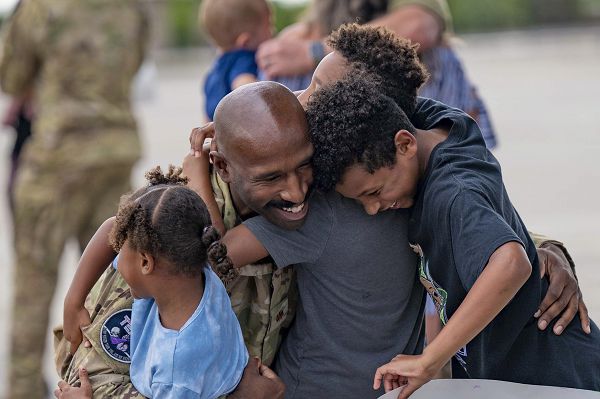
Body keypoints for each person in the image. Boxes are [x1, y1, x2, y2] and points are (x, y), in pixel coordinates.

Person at [303, 74, 600, 397]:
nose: (372, 208)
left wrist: (429, 360)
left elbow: (511, 263)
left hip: (553, 377)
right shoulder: (441, 123)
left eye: (374, 192)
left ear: (405, 144)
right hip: (519, 373)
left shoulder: (453, 193)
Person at [0, 0, 148, 397]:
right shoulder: (131, 9)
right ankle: (105, 385)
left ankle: (24, 391)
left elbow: (11, 77)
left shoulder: (39, 8)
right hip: (114, 155)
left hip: (55, 161)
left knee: (33, 291)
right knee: (114, 291)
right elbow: (132, 63)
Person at [55, 166, 249, 398]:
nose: (116, 253)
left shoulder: (176, 374)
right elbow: (112, 226)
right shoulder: (192, 267)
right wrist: (73, 301)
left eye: (122, 247)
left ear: (146, 262)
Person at [257, 0, 497, 148]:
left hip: (427, 156)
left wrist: (314, 51)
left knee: (439, 57)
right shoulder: (310, 25)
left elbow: (419, 26)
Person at [200, 0, 273, 121]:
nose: (272, 32)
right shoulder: (244, 59)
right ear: (245, 41)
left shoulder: (211, 75)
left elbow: (206, 121)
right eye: (269, 26)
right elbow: (247, 90)